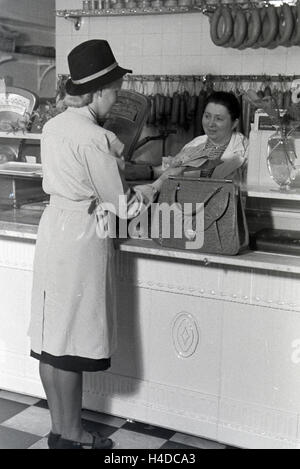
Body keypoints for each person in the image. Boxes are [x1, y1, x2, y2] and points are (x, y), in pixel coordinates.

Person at [28, 39, 182, 450]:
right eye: (115, 87)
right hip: (81, 234)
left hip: (54, 228)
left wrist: (118, 165)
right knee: (73, 341)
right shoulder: (94, 138)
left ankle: (60, 430)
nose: (118, 96)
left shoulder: (53, 126)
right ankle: (75, 433)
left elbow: (86, 175)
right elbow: (122, 205)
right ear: (99, 90)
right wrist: (153, 188)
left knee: (50, 340)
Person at [167, 91, 249, 183]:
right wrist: (151, 171)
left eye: (218, 119)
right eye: (207, 116)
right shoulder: (195, 144)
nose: (210, 123)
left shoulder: (247, 151)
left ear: (234, 123)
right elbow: (173, 171)